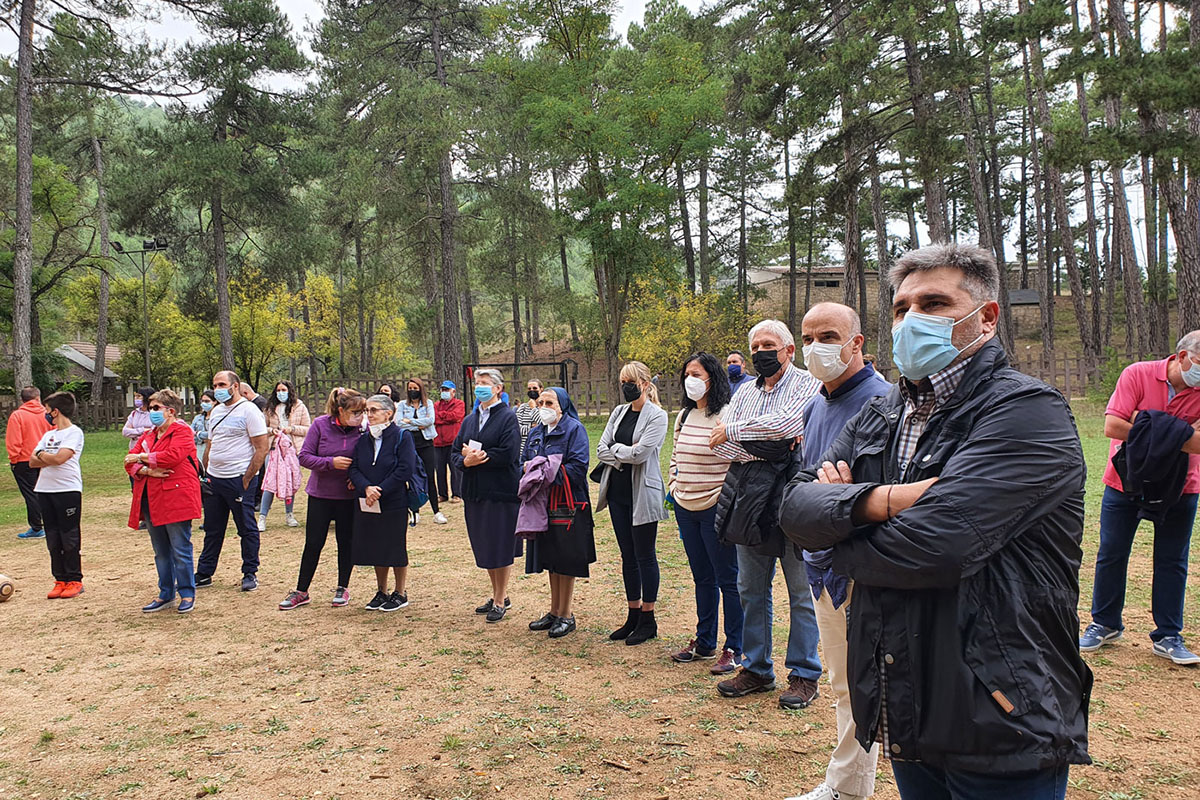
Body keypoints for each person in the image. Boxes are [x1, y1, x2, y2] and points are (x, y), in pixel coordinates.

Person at [780, 243, 1091, 799]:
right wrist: (883, 502)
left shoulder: (1027, 412)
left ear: (986, 318)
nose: (910, 320)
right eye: (902, 308)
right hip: (905, 696)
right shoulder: (882, 413)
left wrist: (841, 528)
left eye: (934, 304)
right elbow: (794, 508)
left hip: (998, 707)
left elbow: (937, 548)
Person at [786, 303, 891, 800]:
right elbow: (807, 491)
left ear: (856, 343)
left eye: (828, 336)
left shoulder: (883, 403)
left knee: (865, 680)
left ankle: (848, 785)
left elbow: (875, 493)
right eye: (807, 338)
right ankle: (849, 783)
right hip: (819, 562)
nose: (815, 348)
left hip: (861, 565)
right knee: (843, 679)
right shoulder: (814, 405)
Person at [710, 320, 822, 710]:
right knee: (750, 589)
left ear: (789, 350)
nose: (760, 352)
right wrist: (767, 444)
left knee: (801, 592)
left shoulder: (808, 384)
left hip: (794, 496)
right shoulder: (744, 391)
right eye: (755, 346)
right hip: (750, 499)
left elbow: (790, 423)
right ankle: (757, 668)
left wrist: (738, 433)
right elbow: (719, 444)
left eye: (769, 344)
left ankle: (805, 673)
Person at [1080, 331, 1200, 666]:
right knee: (1111, 553)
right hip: (1125, 481)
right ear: (1182, 357)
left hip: (1182, 486)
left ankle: (1168, 635)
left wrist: (1145, 421)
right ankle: (1105, 624)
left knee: (1173, 559)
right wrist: (1180, 431)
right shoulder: (1137, 374)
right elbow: (1112, 426)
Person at [667, 353, 742, 674]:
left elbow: (737, 458)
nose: (690, 380)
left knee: (728, 579)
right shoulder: (684, 415)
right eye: (686, 374)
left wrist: (722, 497)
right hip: (685, 507)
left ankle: (734, 647)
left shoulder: (727, 414)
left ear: (712, 377)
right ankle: (705, 641)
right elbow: (675, 454)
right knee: (702, 577)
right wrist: (674, 485)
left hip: (715, 508)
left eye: (696, 374)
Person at [595, 361, 669, 646]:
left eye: (631, 382)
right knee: (627, 555)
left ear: (645, 385)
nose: (626, 387)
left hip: (643, 494)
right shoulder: (618, 412)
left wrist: (615, 450)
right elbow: (600, 449)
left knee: (644, 554)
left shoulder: (657, 416)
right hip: (618, 493)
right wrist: (621, 452)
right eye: (623, 381)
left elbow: (641, 455)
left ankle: (648, 619)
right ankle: (633, 614)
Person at [280, 388, 366, 610]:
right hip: (321, 495)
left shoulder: (363, 430)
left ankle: (343, 587)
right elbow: (304, 457)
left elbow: (368, 460)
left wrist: (357, 477)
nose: (360, 416)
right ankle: (301, 590)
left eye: (362, 412)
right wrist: (330, 462)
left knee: (346, 542)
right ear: (341, 410)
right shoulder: (320, 425)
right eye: (355, 412)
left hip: (348, 497)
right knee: (314, 543)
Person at [521, 387, 595, 638]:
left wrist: (542, 471)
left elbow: (578, 467)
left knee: (566, 559)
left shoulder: (575, 429)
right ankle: (554, 611)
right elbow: (523, 463)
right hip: (541, 504)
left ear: (562, 405)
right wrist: (537, 469)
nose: (544, 407)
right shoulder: (536, 432)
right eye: (541, 402)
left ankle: (566, 614)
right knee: (551, 559)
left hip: (568, 504)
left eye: (550, 403)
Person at [451, 368, 522, 622]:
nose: (479, 387)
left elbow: (509, 453)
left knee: (500, 546)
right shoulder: (470, 420)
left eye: (484, 383)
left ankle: (500, 599)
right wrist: (465, 462)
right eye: (477, 383)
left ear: (498, 388)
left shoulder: (507, 417)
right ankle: (497, 593)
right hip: (475, 491)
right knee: (485, 546)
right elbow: (454, 451)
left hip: (500, 491)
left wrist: (479, 458)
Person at [124, 389, 202, 615]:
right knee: (160, 550)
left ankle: (187, 593)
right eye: (150, 408)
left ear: (170, 411)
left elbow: (172, 456)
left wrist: (140, 457)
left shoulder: (183, 431)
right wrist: (147, 470)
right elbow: (128, 462)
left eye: (156, 408)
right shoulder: (149, 434)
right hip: (151, 497)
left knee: (180, 548)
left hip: (176, 498)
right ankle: (166, 593)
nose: (151, 412)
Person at [195, 371, 269, 593]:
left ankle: (250, 572)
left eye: (222, 384)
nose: (217, 389)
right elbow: (211, 443)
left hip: (238, 479)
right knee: (212, 528)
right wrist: (205, 472)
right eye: (215, 385)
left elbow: (261, 447)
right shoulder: (217, 411)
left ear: (235, 386)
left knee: (246, 527)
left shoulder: (249, 411)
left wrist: (247, 478)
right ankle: (204, 573)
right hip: (214, 478)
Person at [350, 394, 417, 612]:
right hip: (368, 501)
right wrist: (366, 488)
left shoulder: (402, 437)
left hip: (393, 499)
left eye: (374, 410)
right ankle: (381, 590)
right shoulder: (363, 439)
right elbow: (354, 467)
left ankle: (400, 592)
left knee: (395, 546)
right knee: (375, 546)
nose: (369, 415)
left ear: (388, 413)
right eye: (367, 411)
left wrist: (380, 489)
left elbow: (405, 468)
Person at [29, 392, 85, 599]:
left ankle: (74, 579)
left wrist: (42, 455)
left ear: (56, 411)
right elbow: (31, 461)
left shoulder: (74, 433)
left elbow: (60, 458)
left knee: (69, 536)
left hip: (67, 490)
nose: (45, 414)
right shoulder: (48, 435)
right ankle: (59, 579)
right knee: (52, 537)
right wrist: (47, 457)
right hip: (45, 490)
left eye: (47, 410)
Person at [258, 380, 311, 531]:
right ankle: (262, 517)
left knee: (289, 482)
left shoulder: (299, 406)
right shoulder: (269, 408)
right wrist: (271, 431)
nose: (281, 393)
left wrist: (292, 429)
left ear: (290, 391)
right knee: (270, 482)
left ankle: (289, 514)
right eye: (278, 390)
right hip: (273, 448)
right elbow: (262, 427)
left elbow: (308, 428)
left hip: (292, 450)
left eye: (283, 390)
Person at [397, 378, 446, 525]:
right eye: (410, 388)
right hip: (409, 444)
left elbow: (430, 421)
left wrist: (410, 421)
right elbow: (399, 423)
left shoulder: (428, 403)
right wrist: (419, 424)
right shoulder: (402, 405)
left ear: (421, 389)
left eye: (415, 388)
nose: (413, 391)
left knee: (430, 477)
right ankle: (415, 512)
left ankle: (436, 512)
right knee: (412, 477)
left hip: (426, 444)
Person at [7, 386, 52, 539]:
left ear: (22, 400)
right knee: (46, 491)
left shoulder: (18, 416)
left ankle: (37, 526)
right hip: (45, 458)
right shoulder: (47, 414)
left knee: (31, 494)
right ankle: (51, 522)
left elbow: (14, 441)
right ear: (38, 398)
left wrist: (14, 459)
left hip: (24, 460)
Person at [434, 380, 465, 503]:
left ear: (453, 392)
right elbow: (434, 418)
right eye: (443, 390)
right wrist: (447, 417)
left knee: (456, 469)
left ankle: (457, 494)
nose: (444, 392)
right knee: (440, 470)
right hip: (438, 442)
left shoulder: (459, 403)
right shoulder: (436, 405)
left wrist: (442, 416)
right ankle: (442, 494)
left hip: (453, 441)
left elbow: (456, 416)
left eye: (447, 390)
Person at [515, 377, 544, 458]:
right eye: (529, 389)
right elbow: (516, 429)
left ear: (541, 389)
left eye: (535, 388)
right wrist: (531, 427)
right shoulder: (522, 407)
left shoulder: (545, 407)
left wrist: (533, 409)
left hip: (540, 449)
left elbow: (544, 425)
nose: (532, 390)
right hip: (523, 450)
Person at [192, 390, 217, 464]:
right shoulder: (197, 418)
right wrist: (204, 437)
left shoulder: (218, 418)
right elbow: (190, 434)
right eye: (202, 401)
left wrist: (198, 433)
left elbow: (214, 434)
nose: (204, 403)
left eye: (207, 401)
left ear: (215, 402)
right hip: (198, 451)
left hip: (212, 452)